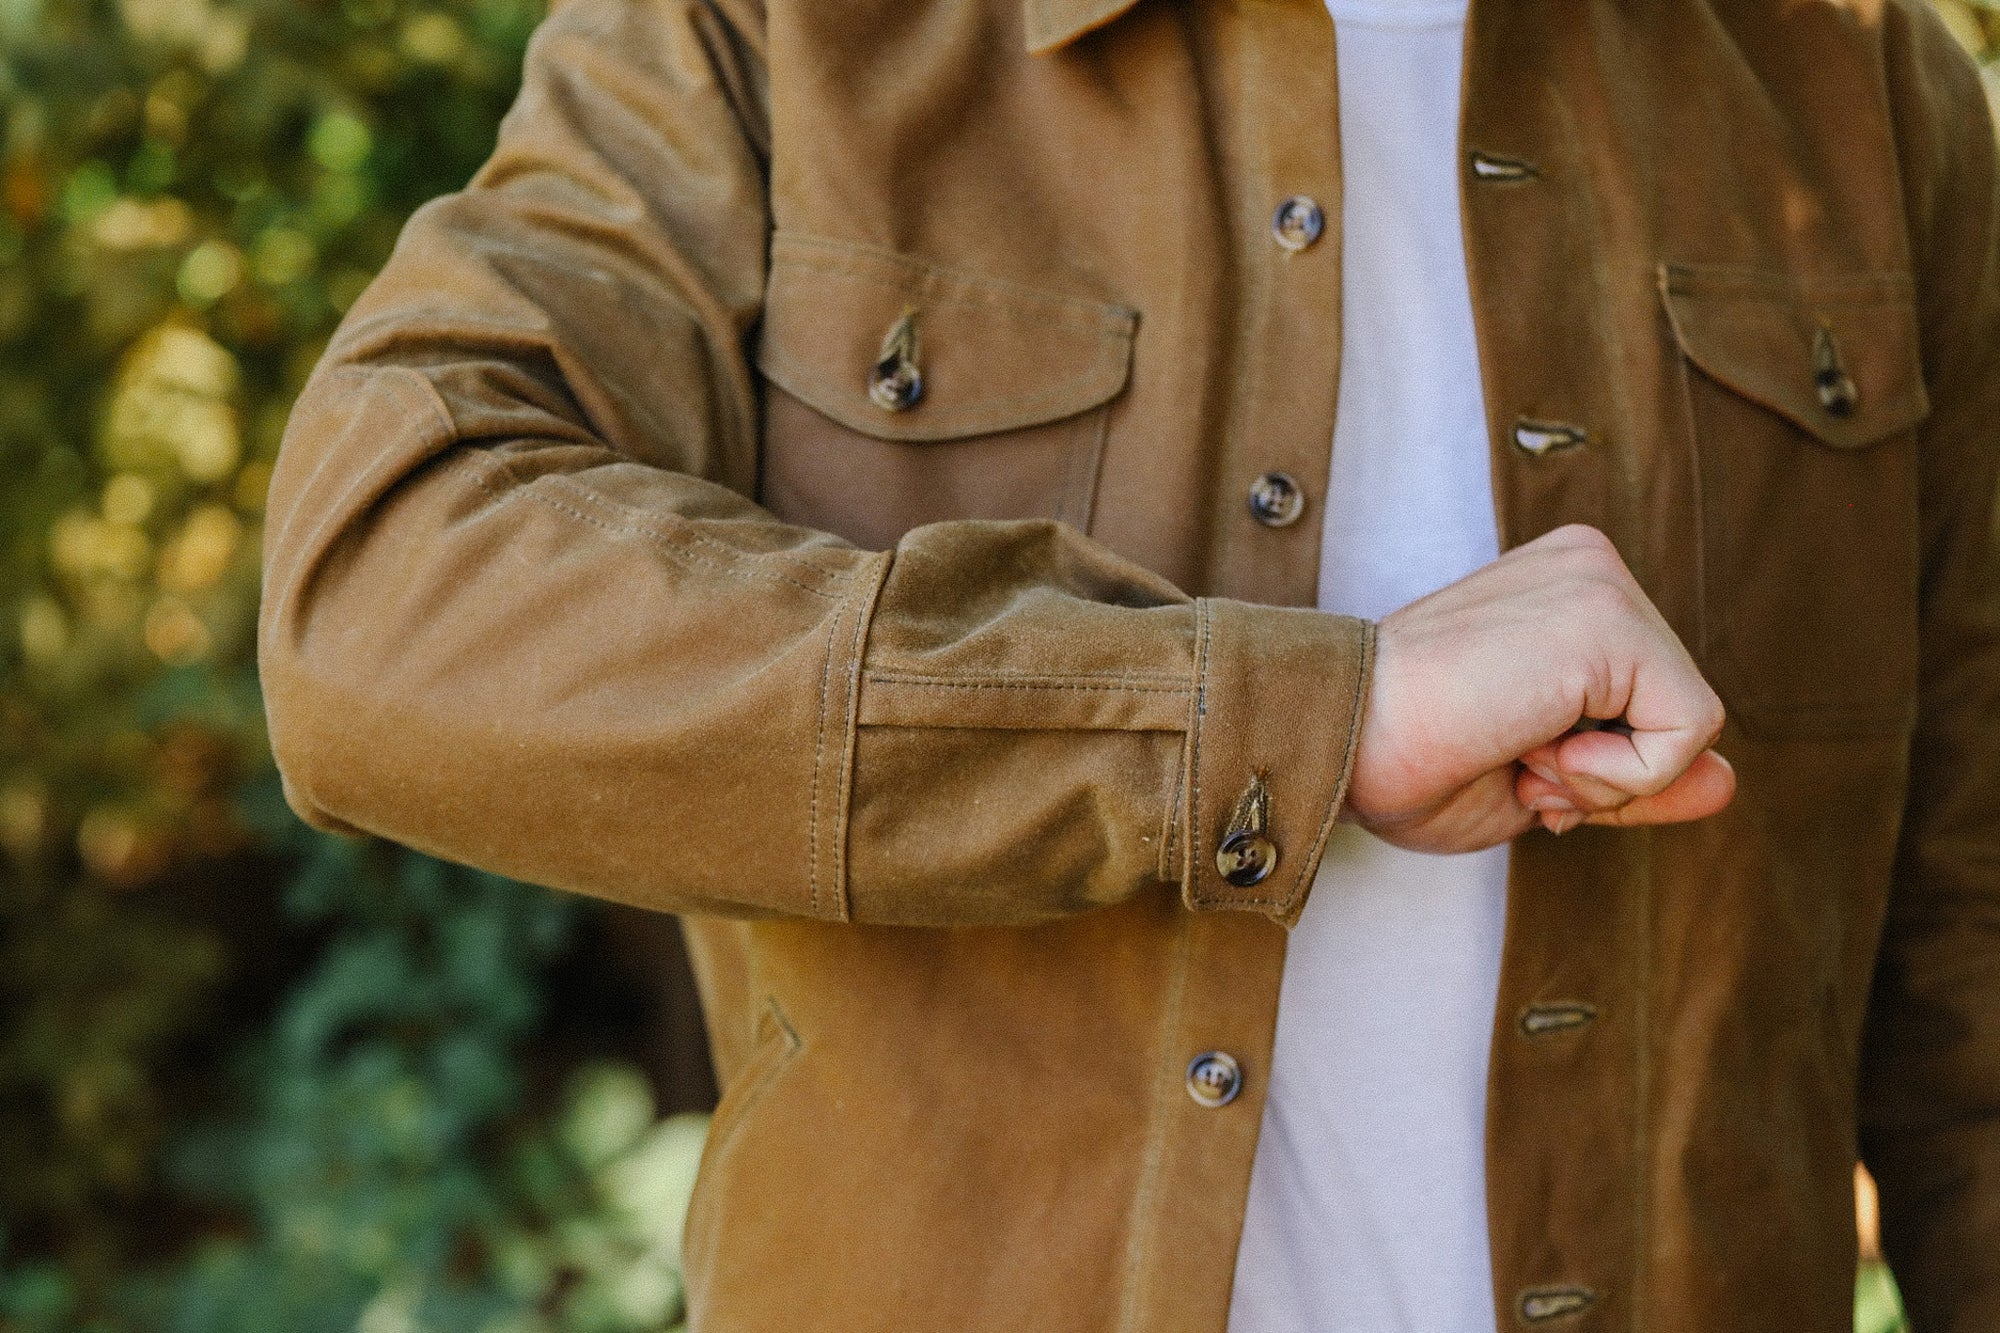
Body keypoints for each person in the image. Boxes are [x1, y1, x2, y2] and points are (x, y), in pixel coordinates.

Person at [257, 0, 2000, 1327]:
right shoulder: (773, 31)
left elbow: (1970, 964)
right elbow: (388, 584)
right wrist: (1294, 720)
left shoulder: (1863, 90)